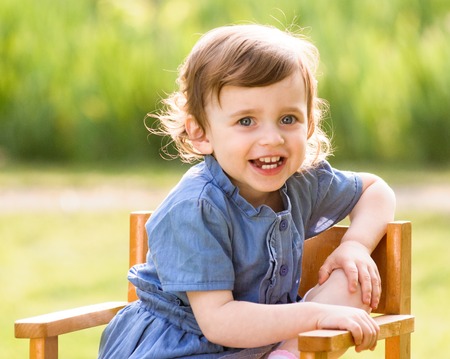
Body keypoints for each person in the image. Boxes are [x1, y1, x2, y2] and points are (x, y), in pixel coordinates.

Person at [98, 24, 396, 359]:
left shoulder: (302, 182)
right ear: (201, 133)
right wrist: (317, 315)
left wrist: (355, 245)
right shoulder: (196, 207)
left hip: (265, 338)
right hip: (184, 345)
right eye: (246, 121)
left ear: (309, 123)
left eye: (288, 119)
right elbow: (219, 322)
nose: (272, 138)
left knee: (354, 282)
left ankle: (287, 355)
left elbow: (375, 189)